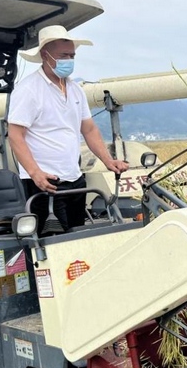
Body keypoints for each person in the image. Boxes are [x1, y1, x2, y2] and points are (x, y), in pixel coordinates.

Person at [7, 24, 128, 233]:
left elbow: (89, 130)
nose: (69, 61)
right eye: (64, 55)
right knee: (52, 244)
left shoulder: (75, 90)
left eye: (72, 55)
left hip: (74, 178)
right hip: (45, 182)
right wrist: (35, 173)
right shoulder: (28, 90)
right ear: (46, 55)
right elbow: (16, 135)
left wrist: (108, 160)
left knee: (77, 236)